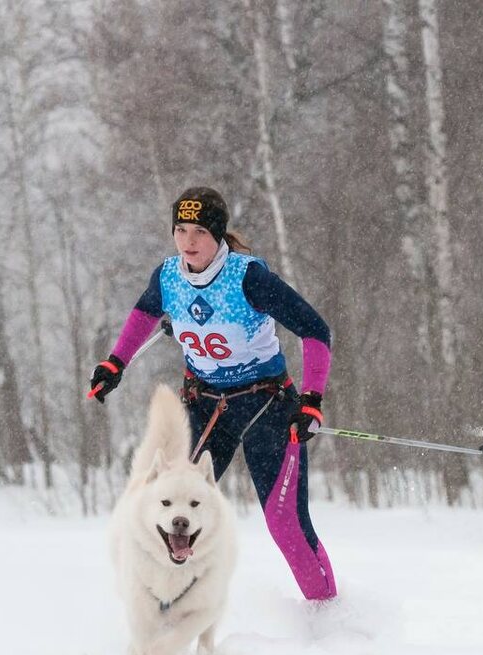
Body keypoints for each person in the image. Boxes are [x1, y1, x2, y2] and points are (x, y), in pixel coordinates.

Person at [89, 187, 337, 601]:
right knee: (165, 512)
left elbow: (316, 330)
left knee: (284, 523)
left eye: (200, 231)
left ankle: (329, 617)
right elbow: (144, 315)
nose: (188, 242)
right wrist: (116, 363)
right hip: (206, 407)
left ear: (218, 235)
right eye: (181, 230)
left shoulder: (248, 277)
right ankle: (162, 620)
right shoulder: (168, 276)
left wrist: (311, 400)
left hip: (266, 405)